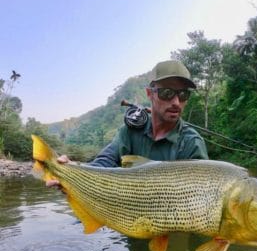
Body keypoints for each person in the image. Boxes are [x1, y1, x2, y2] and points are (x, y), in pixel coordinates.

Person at [47, 60, 208, 186]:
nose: (176, 102)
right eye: (167, 93)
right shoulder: (131, 131)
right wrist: (72, 173)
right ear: (149, 94)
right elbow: (105, 162)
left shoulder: (192, 143)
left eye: (183, 94)